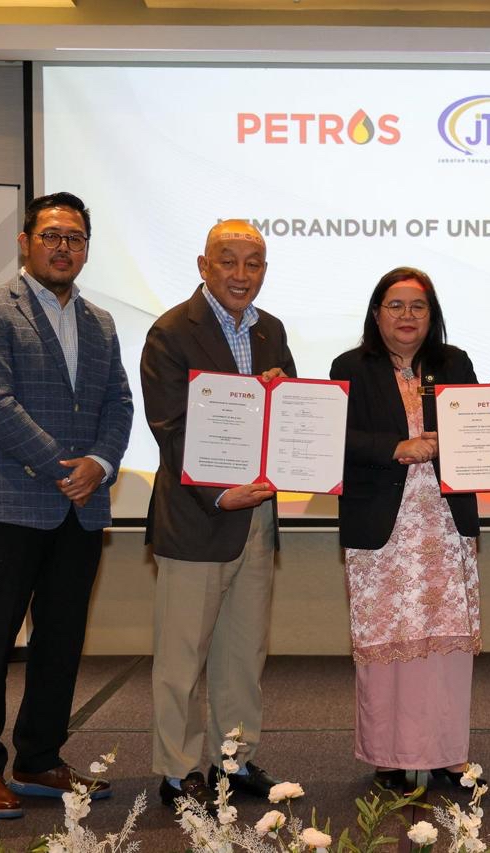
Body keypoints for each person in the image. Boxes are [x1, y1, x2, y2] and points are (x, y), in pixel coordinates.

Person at [0, 191, 133, 817]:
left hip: (81, 507)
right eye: (52, 235)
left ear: (86, 249)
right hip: (11, 502)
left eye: (75, 238)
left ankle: (38, 758)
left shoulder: (100, 322)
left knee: (61, 638)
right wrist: (64, 466)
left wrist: (101, 464)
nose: (63, 247)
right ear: (25, 243)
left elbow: (118, 402)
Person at [141, 219, 295, 809]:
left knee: (242, 655)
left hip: (257, 516)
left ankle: (234, 760)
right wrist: (218, 493)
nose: (240, 274)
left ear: (264, 271)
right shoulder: (171, 332)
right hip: (198, 517)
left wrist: (282, 394)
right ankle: (178, 772)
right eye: (227, 261)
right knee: (181, 659)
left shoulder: (271, 330)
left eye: (252, 263)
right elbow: (170, 427)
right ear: (204, 267)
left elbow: (284, 418)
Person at [329, 267, 483, 791]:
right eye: (395, 305)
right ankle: (389, 756)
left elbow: (480, 428)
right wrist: (395, 448)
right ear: (377, 313)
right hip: (382, 526)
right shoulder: (350, 366)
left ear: (431, 315)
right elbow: (335, 436)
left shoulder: (454, 363)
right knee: (386, 641)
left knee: (445, 644)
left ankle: (447, 754)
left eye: (418, 306)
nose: (407, 315)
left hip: (443, 522)